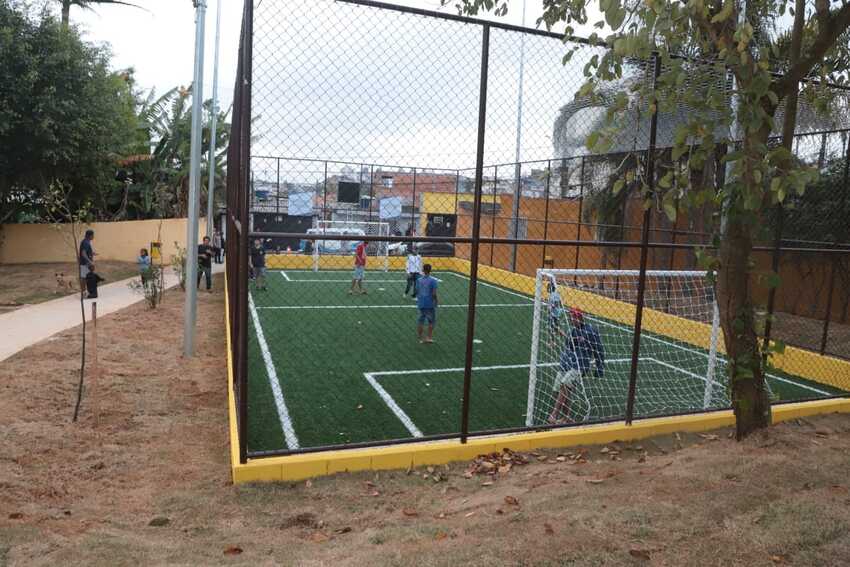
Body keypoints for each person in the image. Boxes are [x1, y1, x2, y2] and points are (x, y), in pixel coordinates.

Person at [549, 307, 605, 424]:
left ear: (579, 318)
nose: (571, 319)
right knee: (559, 388)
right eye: (571, 317)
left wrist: (599, 368)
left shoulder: (591, 331)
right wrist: (564, 335)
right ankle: (567, 417)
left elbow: (599, 349)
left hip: (581, 366)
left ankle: (554, 414)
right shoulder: (574, 331)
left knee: (565, 384)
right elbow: (570, 345)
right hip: (568, 364)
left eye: (573, 317)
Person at [415, 263, 438, 344]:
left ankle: (420, 338)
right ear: (430, 270)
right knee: (431, 321)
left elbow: (417, 291)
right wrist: (436, 301)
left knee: (421, 321)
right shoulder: (433, 281)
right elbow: (434, 293)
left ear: (423, 270)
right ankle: (429, 337)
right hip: (429, 303)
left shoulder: (419, 280)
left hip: (421, 302)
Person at [78, 229, 95, 295]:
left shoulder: (86, 241)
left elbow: (86, 252)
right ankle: (83, 292)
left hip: (86, 263)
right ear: (90, 235)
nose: (93, 236)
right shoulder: (85, 242)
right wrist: (90, 262)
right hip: (85, 263)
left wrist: (92, 253)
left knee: (86, 277)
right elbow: (83, 253)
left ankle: (86, 291)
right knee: (84, 278)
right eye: (93, 235)